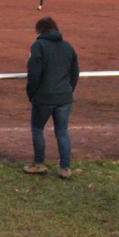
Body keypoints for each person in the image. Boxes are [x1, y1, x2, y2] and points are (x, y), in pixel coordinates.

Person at [24, 17, 79, 179]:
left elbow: (34, 74)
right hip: (64, 97)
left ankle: (39, 164)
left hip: (44, 98)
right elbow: (75, 73)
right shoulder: (68, 47)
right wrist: (68, 91)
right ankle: (65, 168)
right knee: (62, 132)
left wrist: (32, 94)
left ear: (40, 31)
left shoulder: (38, 46)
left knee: (37, 129)